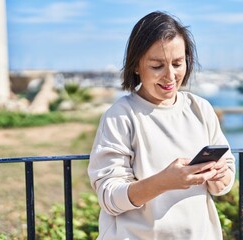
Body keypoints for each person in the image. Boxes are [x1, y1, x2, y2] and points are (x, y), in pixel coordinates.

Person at [88, 11, 235, 240]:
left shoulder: (201, 108)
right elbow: (109, 198)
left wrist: (220, 174)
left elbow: (225, 180)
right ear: (136, 66)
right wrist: (164, 182)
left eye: (178, 64)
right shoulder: (121, 116)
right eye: (157, 66)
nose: (170, 76)